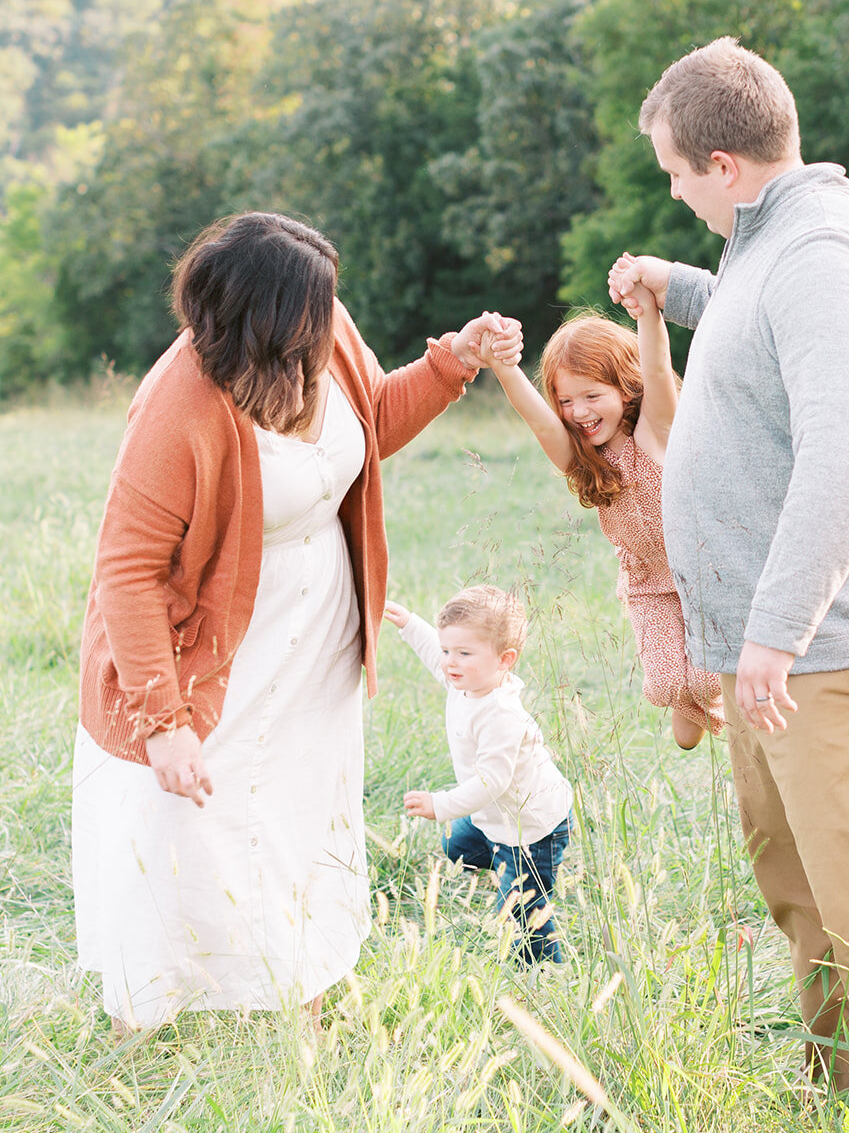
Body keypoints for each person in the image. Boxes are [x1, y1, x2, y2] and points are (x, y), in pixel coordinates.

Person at [608, 36, 849, 1133]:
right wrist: (673, 288)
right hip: (782, 648)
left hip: (836, 639)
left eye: (674, 171)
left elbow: (838, 447)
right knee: (800, 889)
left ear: (723, 162)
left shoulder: (818, 251)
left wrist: (773, 627)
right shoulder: (777, 245)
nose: (670, 190)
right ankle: (848, 1112)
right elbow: (756, 317)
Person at [73, 211, 522, 1031]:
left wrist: (452, 363)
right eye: (316, 312)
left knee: (301, 808)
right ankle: (151, 1018)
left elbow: (372, 419)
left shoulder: (322, 333)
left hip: (314, 636)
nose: (332, 322)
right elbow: (126, 571)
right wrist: (165, 722)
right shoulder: (180, 405)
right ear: (263, 322)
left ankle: (298, 989)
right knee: (188, 820)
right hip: (206, 652)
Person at [481, 299, 722, 748]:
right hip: (649, 584)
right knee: (665, 687)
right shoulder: (585, 459)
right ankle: (687, 700)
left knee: (710, 678)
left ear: (625, 388)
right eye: (566, 400)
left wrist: (647, 313)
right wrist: (503, 367)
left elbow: (655, 370)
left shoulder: (657, 432)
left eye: (592, 396)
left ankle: (709, 702)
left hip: (705, 573)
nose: (579, 412)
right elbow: (539, 422)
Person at [384, 585, 573, 964]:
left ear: (505, 660)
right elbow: (432, 653)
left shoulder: (501, 715)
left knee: (521, 915)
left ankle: (547, 966)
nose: (450, 662)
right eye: (446, 650)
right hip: (495, 818)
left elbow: (491, 782)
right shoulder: (467, 683)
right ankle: (495, 858)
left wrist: (440, 804)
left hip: (531, 830)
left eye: (464, 653)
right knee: (457, 846)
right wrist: (408, 624)